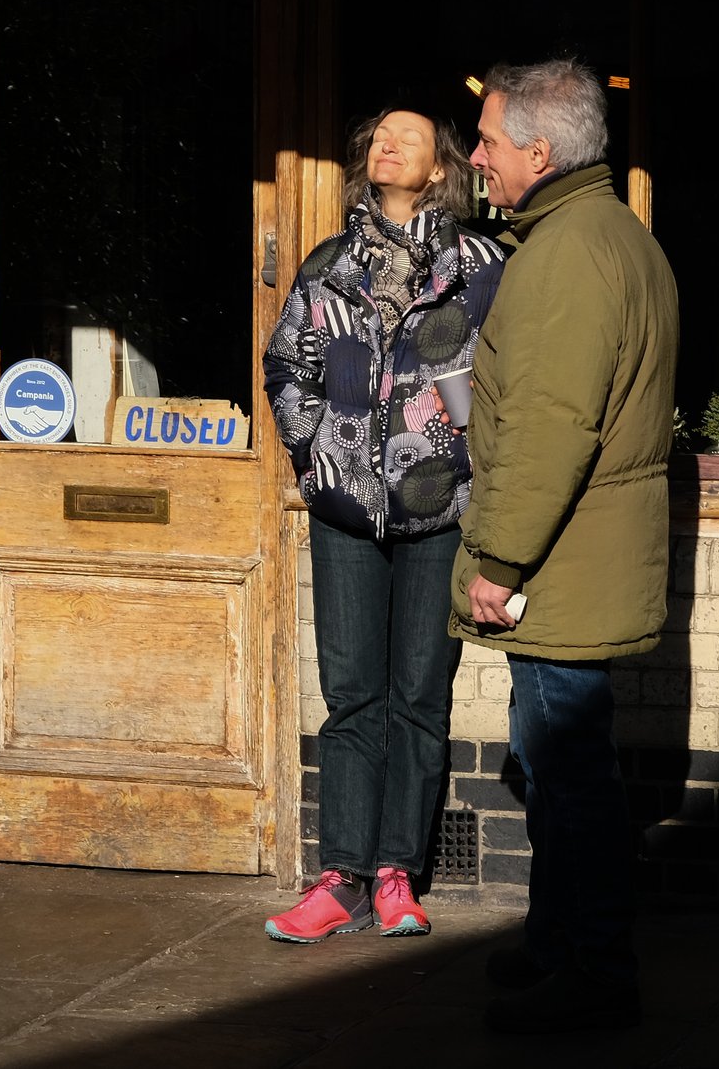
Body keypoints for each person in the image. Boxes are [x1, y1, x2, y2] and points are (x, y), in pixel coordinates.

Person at [451, 58, 679, 1035]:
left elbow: (549, 426)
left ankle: (594, 969)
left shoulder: (565, 255)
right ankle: (559, 944)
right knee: (556, 772)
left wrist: (497, 559)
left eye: (491, 140)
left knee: (571, 779)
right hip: (579, 559)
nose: (477, 156)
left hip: (558, 567)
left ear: (539, 152)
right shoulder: (603, 234)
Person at [261, 105, 505, 943]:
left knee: (419, 697)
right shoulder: (329, 265)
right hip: (344, 516)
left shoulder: (480, 266)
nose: (385, 142)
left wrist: (465, 455)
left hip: (440, 513)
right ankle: (341, 878)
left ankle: (398, 870)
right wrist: (315, 453)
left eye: (408, 133)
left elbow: (506, 383)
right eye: (376, 135)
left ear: (441, 165)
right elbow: (287, 361)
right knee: (351, 697)